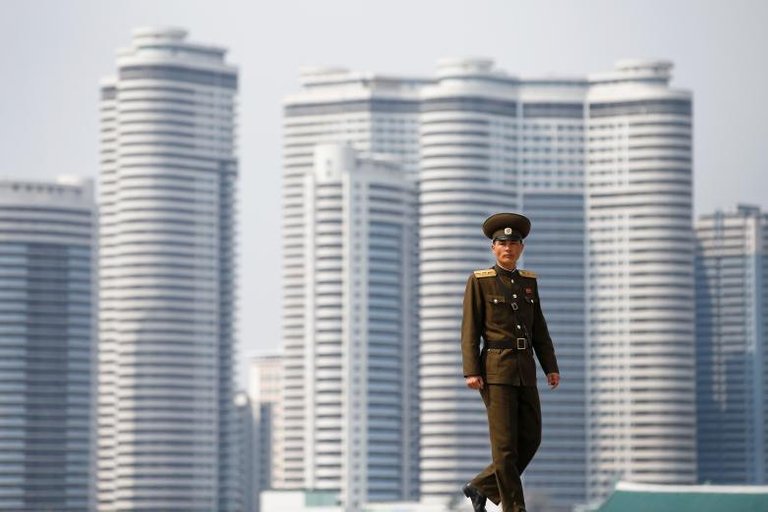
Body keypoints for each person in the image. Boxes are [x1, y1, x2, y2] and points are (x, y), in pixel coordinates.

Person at [460, 212, 560, 512]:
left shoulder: (529, 283)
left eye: (514, 243)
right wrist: (471, 370)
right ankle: (514, 508)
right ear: (493, 248)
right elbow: (470, 329)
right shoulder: (480, 282)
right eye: (502, 243)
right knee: (504, 447)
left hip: (525, 369)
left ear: (521, 248)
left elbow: (539, 329)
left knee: (531, 438)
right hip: (495, 370)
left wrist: (550, 366)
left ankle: (482, 485)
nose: (508, 248)